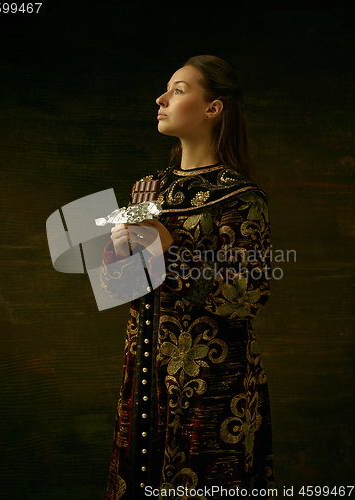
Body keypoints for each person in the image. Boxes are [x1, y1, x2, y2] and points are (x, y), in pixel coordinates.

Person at [101, 55, 275, 500]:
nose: (161, 99)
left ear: (213, 107)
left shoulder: (241, 196)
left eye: (178, 90)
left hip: (212, 387)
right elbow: (116, 288)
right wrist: (117, 254)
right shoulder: (148, 188)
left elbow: (248, 294)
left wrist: (168, 250)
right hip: (143, 378)